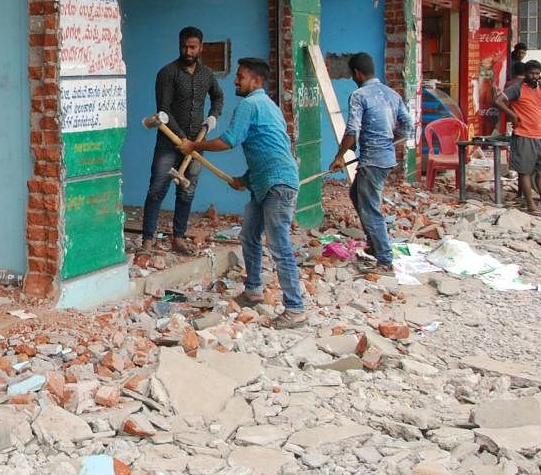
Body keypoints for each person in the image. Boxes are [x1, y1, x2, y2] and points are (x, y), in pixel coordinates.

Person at [179, 59, 305, 329]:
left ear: (256, 82)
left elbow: (229, 140)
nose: (236, 81)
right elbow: (267, 149)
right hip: (266, 183)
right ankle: (253, 290)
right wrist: (243, 180)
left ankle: (295, 308)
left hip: (277, 184)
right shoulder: (269, 106)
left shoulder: (250, 104)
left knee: (279, 245)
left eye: (241, 77)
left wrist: (194, 146)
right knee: (249, 235)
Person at [142, 26, 224, 253]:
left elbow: (218, 96)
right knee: (157, 190)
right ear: (179, 45)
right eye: (184, 46)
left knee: (187, 191)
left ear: (201, 47)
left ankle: (178, 238)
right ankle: (147, 241)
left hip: (196, 144)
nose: (188, 51)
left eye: (192, 47)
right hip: (169, 143)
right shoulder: (167, 73)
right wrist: (182, 139)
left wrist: (212, 117)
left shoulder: (206, 75)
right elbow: (164, 111)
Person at [329, 53, 412, 275]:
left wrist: (339, 157)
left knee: (370, 208)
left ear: (357, 73)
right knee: (356, 195)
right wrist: (389, 140)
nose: (352, 79)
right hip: (385, 159)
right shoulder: (391, 94)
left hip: (373, 161)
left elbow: (352, 131)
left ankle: (385, 260)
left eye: (352, 75)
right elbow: (407, 125)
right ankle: (375, 246)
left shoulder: (359, 95)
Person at [495, 60, 541, 214]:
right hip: (523, 135)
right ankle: (531, 205)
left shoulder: (540, 89)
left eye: (537, 74)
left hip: (539, 136)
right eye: (532, 73)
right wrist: (512, 115)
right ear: (526, 73)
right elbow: (497, 100)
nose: (535, 76)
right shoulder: (517, 88)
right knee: (525, 172)